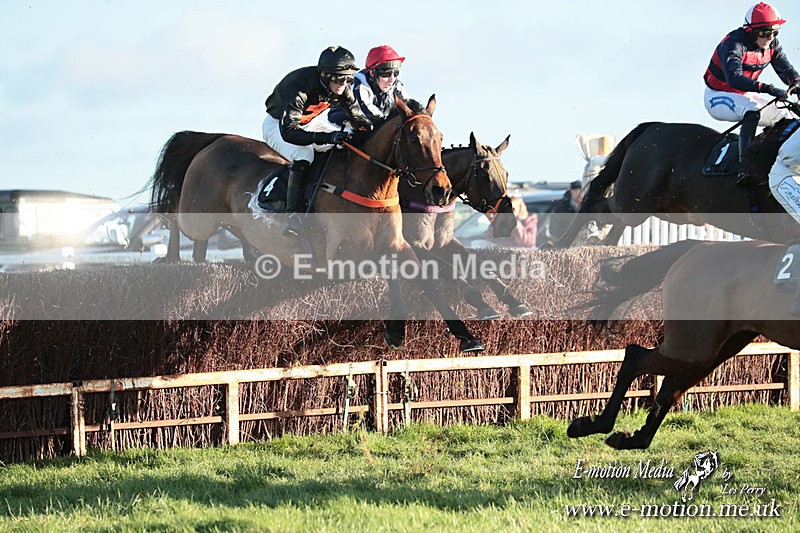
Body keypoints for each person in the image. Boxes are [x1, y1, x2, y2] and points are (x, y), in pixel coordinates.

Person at [262, 46, 371, 237]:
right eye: (339, 79)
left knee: (345, 143)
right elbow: (289, 132)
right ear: (324, 75)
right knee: (305, 155)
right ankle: (293, 216)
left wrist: (367, 129)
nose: (344, 84)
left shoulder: (342, 87)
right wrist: (327, 138)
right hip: (278, 125)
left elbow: (357, 117)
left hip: (310, 122)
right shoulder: (299, 87)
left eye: (348, 79)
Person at [703, 3, 800, 183]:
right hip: (717, 95)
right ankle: (745, 167)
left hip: (742, 95)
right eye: (765, 32)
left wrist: (796, 83)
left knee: (785, 115)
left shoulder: (772, 45)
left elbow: (786, 70)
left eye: (775, 31)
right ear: (751, 31)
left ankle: (770, 157)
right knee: (752, 110)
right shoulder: (733, 43)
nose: (770, 37)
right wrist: (767, 88)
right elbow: (734, 78)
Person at [351, 45, 411, 126]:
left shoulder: (397, 85)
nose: (392, 80)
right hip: (341, 125)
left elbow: (410, 108)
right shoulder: (359, 84)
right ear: (372, 73)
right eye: (386, 74)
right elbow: (369, 112)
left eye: (396, 73)